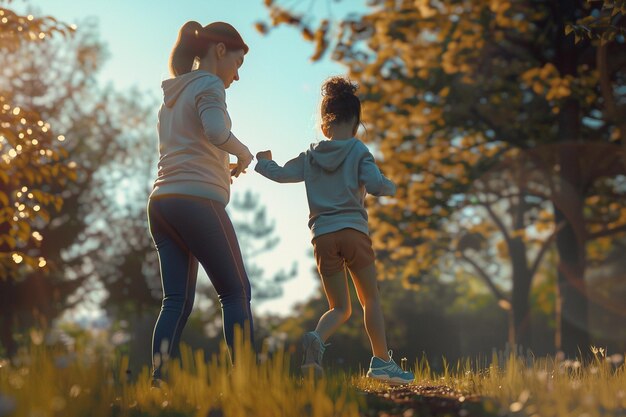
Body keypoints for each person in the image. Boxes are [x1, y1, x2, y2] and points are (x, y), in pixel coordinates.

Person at [254, 77, 414, 384]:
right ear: (355, 121)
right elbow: (378, 185)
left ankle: (316, 337)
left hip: (323, 237)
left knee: (339, 307)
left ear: (325, 123)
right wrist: (392, 186)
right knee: (370, 300)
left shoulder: (311, 156)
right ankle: (381, 362)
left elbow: (283, 175)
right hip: (354, 233)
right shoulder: (358, 150)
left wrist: (264, 163)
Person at [147, 20, 254, 385]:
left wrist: (221, 167)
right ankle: (245, 383)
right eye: (238, 64)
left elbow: (190, 145)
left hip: (162, 204)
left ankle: (159, 383)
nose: (237, 77)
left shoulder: (173, 95)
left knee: (175, 301)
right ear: (220, 51)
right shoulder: (208, 84)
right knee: (236, 291)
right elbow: (214, 130)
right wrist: (242, 152)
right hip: (196, 202)